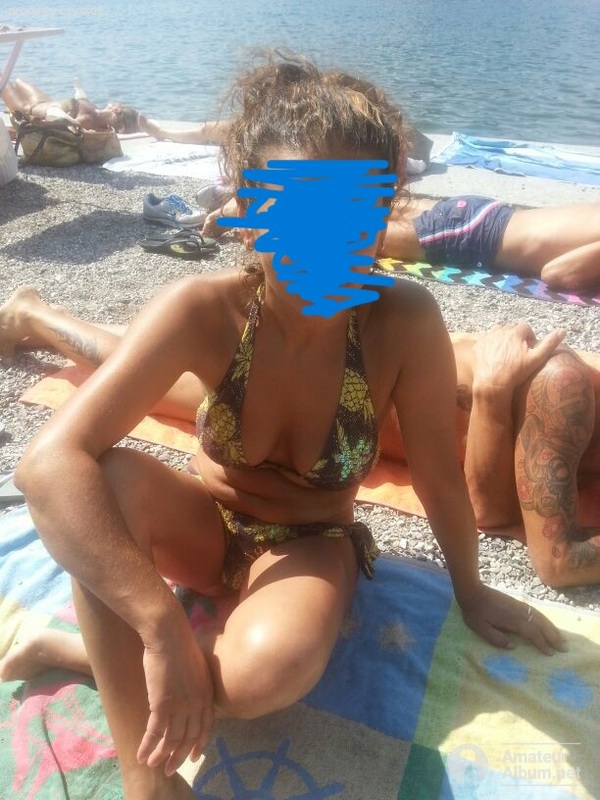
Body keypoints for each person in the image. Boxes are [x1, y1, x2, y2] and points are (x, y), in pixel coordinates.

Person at [10, 55, 563, 800]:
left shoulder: (401, 323)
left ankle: (86, 653)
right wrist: (159, 624)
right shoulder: (205, 311)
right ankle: (151, 784)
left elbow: (437, 475)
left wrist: (472, 590)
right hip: (202, 526)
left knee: (260, 680)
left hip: (311, 541)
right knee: (95, 486)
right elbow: (47, 464)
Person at [2, 288, 598, 590]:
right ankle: (36, 316)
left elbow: (487, 496)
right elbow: (527, 538)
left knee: (153, 380)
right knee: (137, 374)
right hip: (318, 393)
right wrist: (492, 395)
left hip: (350, 426)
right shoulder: (563, 390)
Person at [380, 195, 600, 293]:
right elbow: (555, 274)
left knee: (373, 200)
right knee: (363, 236)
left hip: (487, 213)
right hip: (475, 234)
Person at [2, 78, 141, 133]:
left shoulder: (89, 120)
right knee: (18, 81)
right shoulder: (96, 112)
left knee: (3, 78)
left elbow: (65, 125)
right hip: (44, 102)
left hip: (28, 108)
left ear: (117, 110)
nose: (116, 102)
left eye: (119, 105)